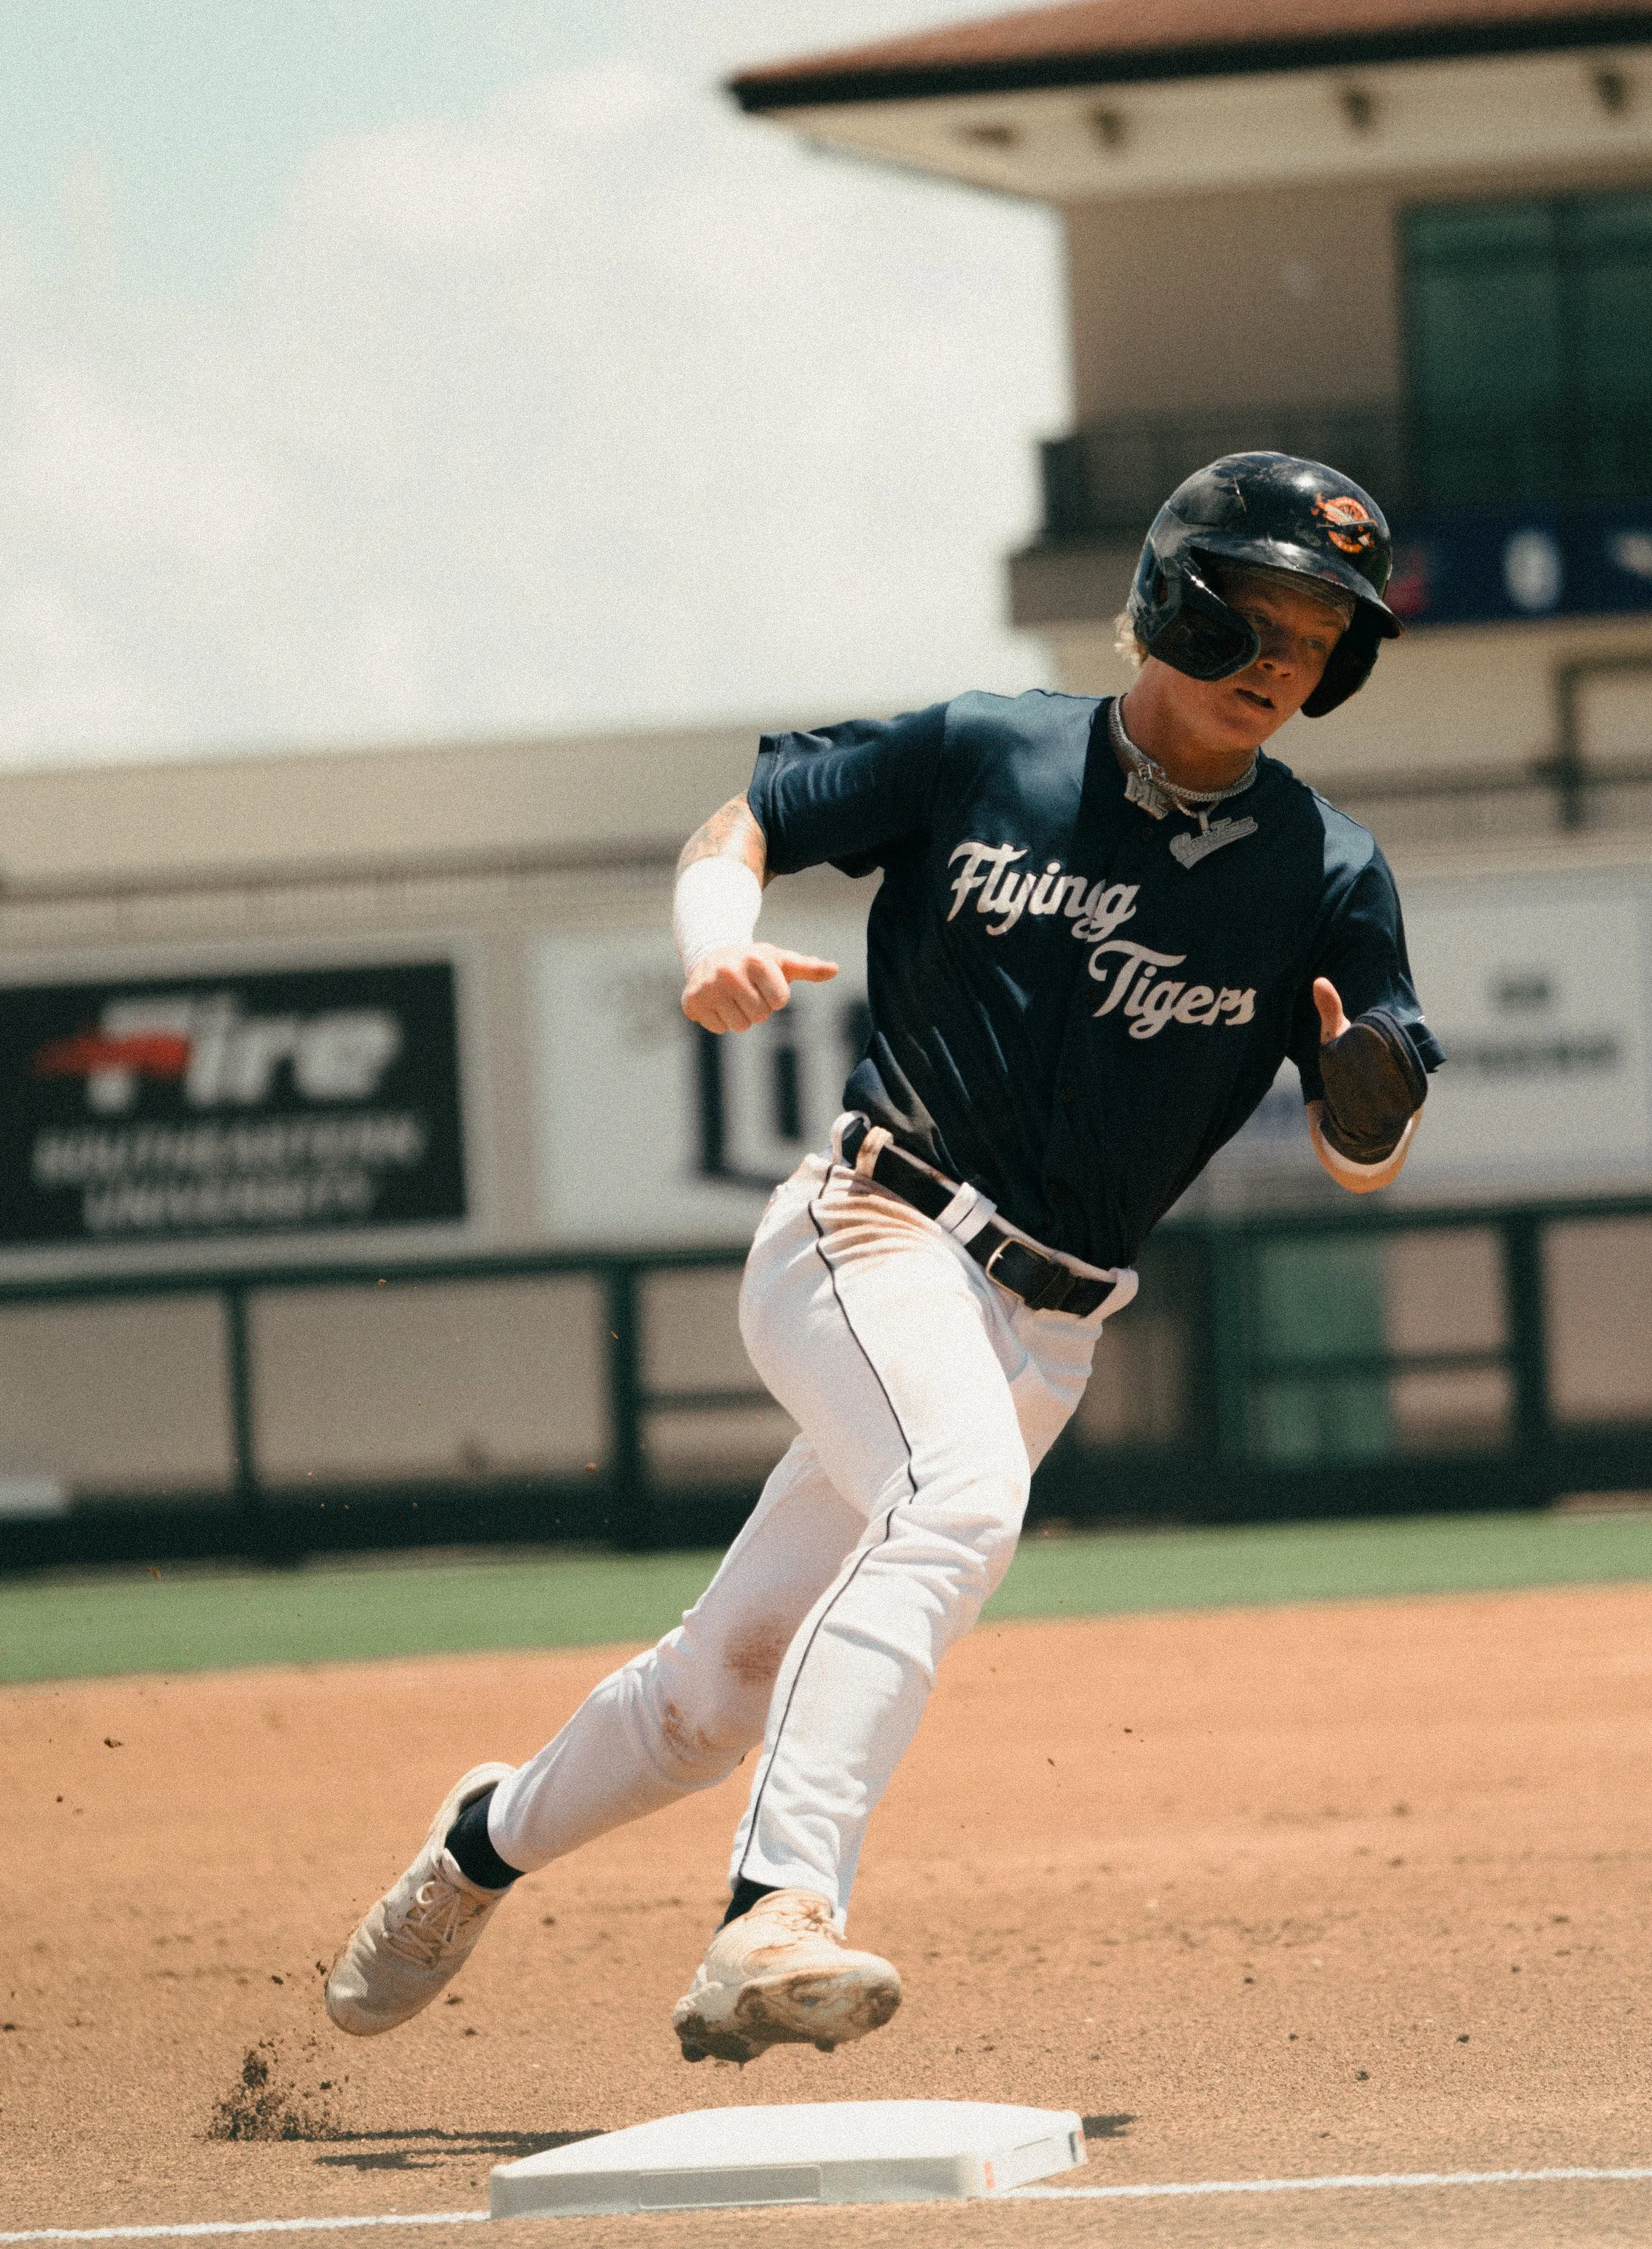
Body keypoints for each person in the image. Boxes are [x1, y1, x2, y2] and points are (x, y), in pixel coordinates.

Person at [322, 453, 1442, 2066]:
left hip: (1048, 1334)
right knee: (956, 1504)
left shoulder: (1325, 871)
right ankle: (777, 1909)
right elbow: (750, 816)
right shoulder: (991, 746)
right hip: (872, 1227)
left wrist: (1363, 1097)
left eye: (1314, 633)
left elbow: (1365, 1141)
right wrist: (712, 938)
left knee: (721, 1683)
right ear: (1168, 597)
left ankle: (477, 1842)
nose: (1279, 657)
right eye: (1252, 612)